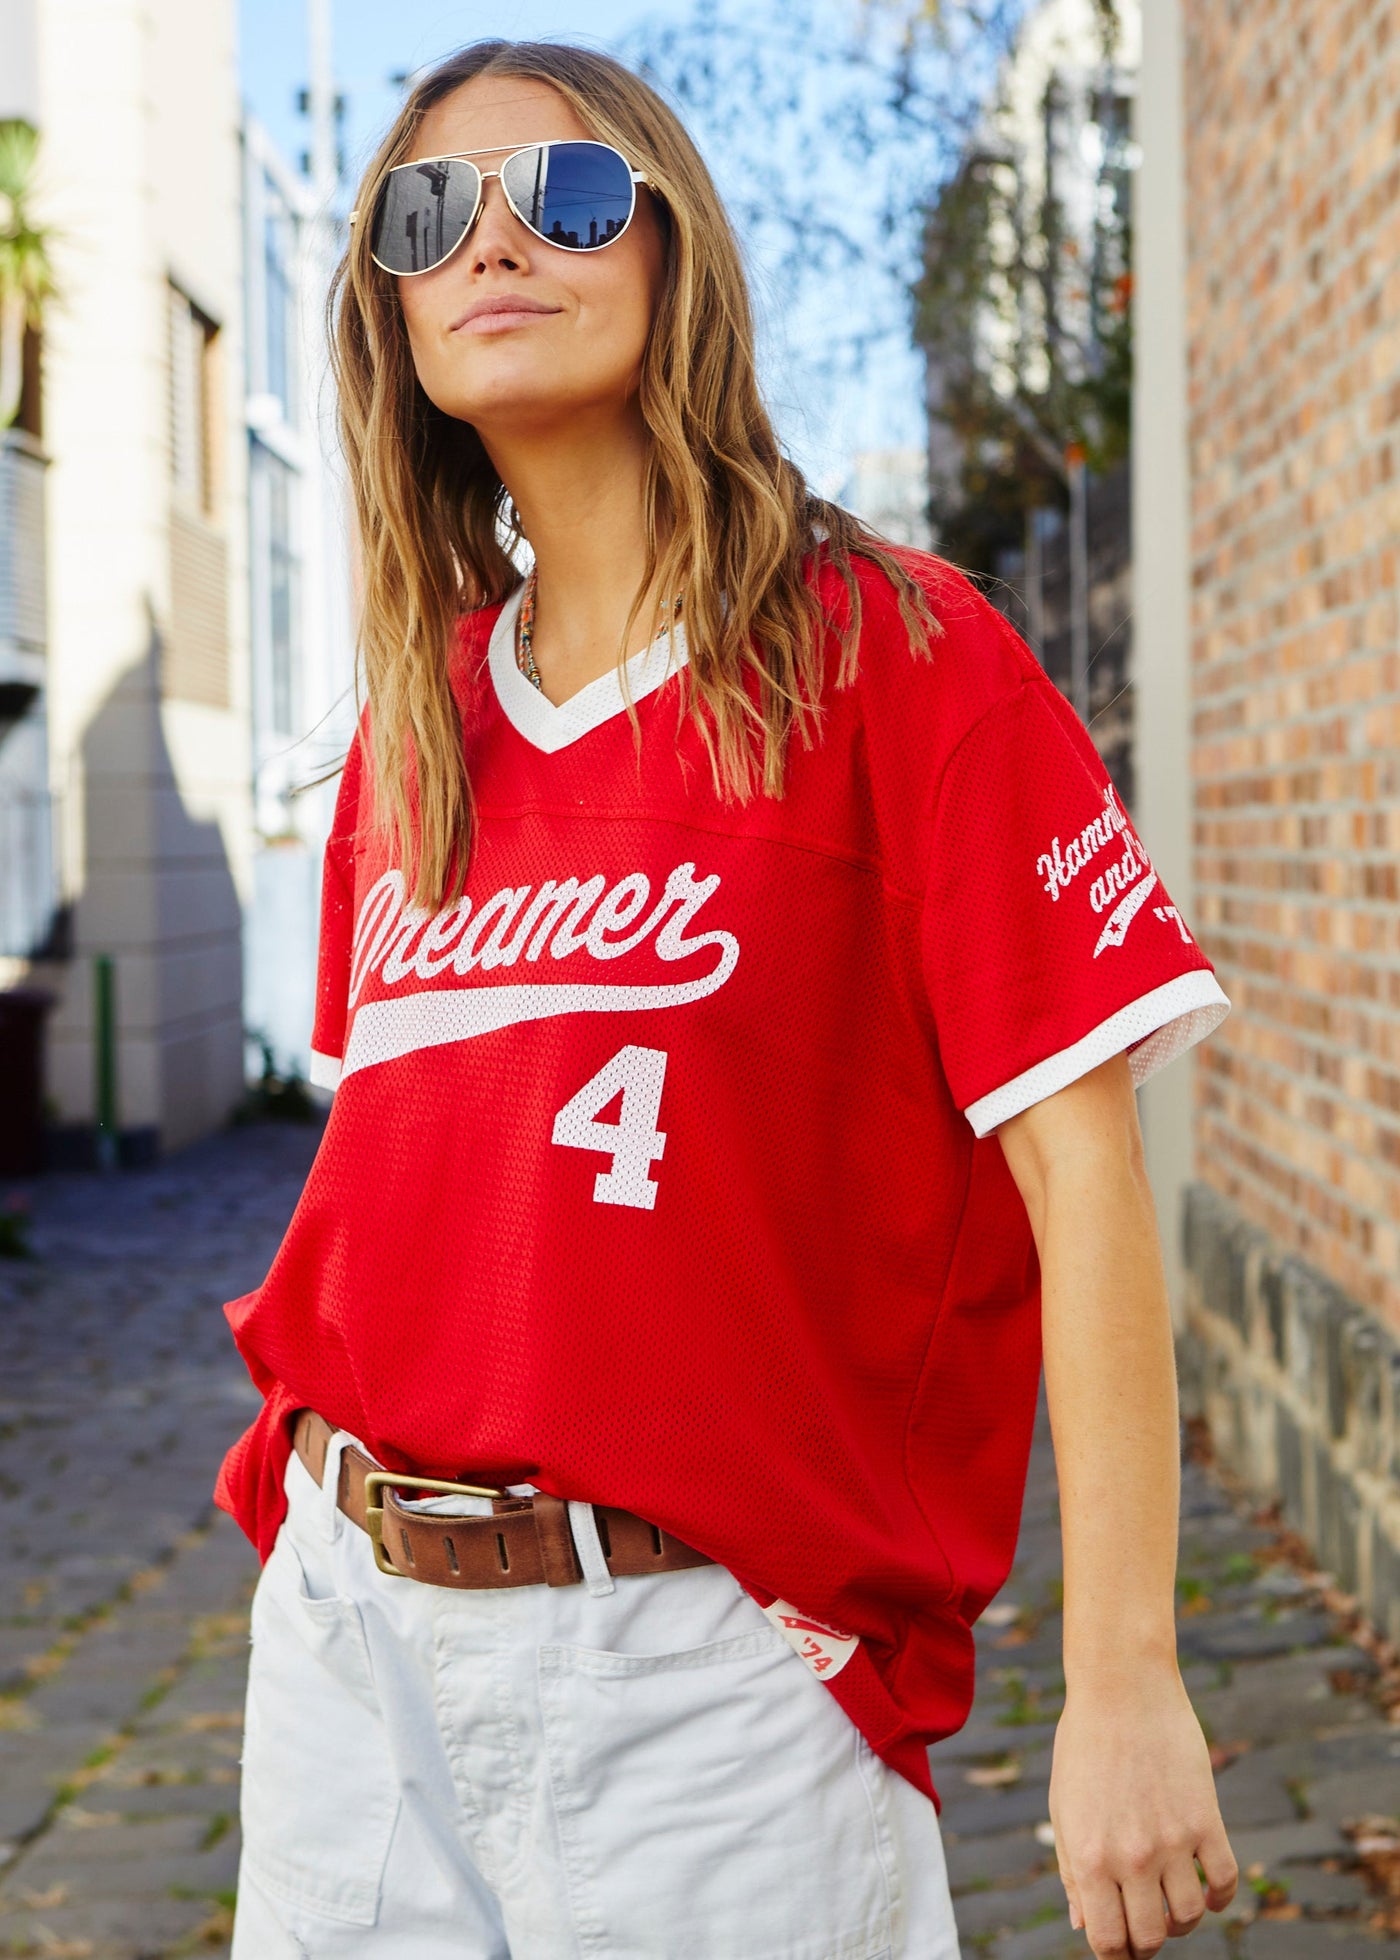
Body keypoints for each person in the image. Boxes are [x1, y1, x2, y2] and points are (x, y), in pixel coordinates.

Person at [217, 37, 1240, 1960]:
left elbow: (1085, 1188)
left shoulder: (908, 660)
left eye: (573, 195)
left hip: (704, 1683)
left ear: (673, 248)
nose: (499, 242)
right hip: (353, 1651)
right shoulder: (414, 730)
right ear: (389, 309)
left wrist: (1123, 1680)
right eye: (430, 214)